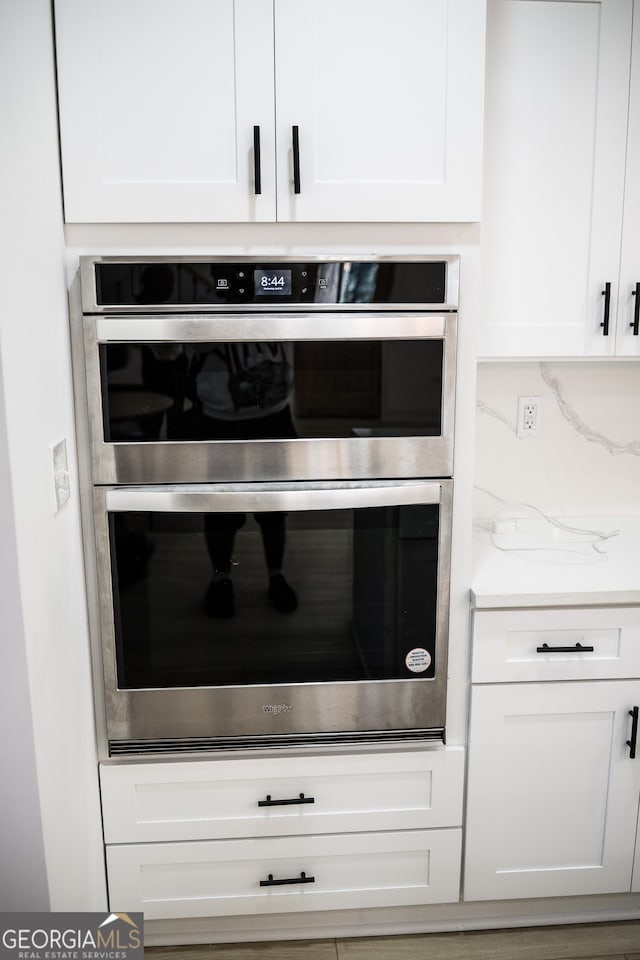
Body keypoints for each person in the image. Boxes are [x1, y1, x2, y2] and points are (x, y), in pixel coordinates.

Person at [189, 340, 299, 618]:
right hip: (221, 421)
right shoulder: (209, 298)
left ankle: (277, 575)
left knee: (274, 508)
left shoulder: (280, 298)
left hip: (275, 416)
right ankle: (220, 578)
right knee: (220, 510)